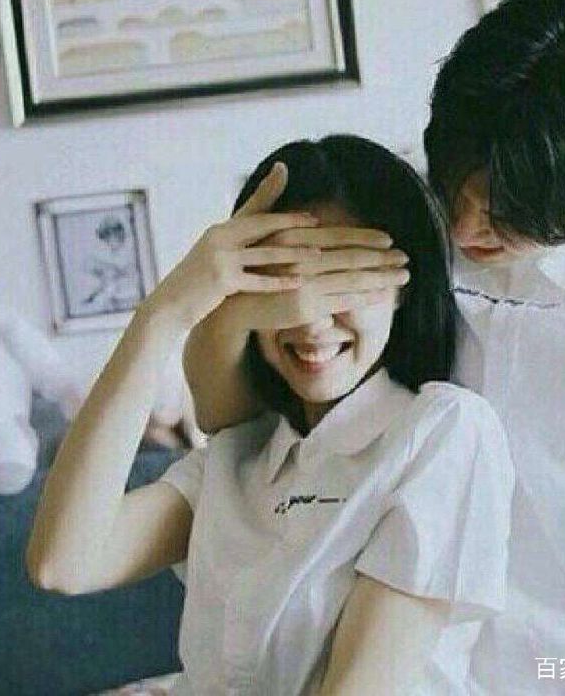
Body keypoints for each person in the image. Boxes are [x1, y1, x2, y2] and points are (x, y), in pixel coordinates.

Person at [187, 0, 565, 695]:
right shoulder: (397, 214)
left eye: (510, 211)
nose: (464, 226)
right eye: (456, 185)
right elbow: (238, 421)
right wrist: (215, 296)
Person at [26, 135, 514, 696]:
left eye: (339, 281)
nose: (310, 320)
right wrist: (164, 314)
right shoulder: (239, 456)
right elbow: (62, 564)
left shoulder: (443, 431)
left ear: (403, 288)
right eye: (282, 281)